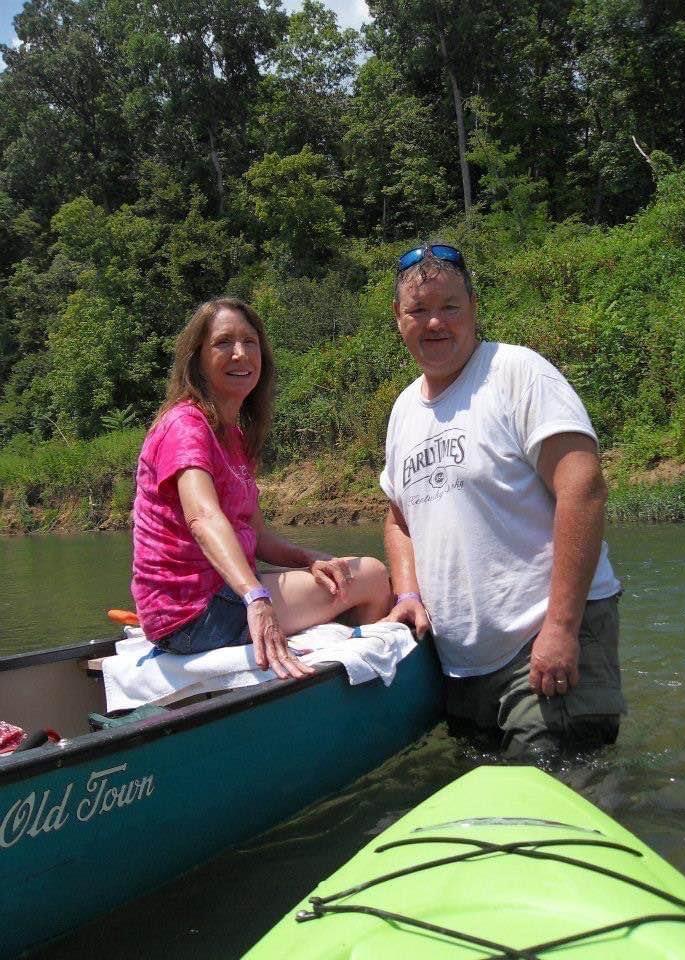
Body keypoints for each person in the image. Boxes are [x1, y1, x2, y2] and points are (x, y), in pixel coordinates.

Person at [381, 242, 625, 756]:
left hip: (544, 646)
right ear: (398, 319)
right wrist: (405, 594)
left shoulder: (516, 374)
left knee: (557, 800)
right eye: (418, 311)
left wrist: (560, 629)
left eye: (449, 307)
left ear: (473, 306)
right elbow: (398, 516)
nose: (434, 323)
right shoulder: (404, 410)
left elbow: (583, 488)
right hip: (463, 672)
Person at [132, 297, 392, 679]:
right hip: (191, 613)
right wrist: (256, 597)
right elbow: (202, 517)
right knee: (369, 574)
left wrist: (309, 558)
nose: (240, 354)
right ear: (197, 358)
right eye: (224, 343)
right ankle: (361, 695)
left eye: (250, 342)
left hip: (217, 596)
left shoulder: (233, 436)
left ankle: (343, 679)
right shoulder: (185, 426)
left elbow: (256, 535)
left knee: (342, 570)